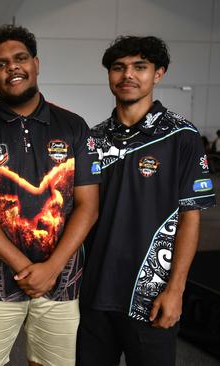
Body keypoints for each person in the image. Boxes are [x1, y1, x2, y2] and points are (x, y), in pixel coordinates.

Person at [0, 25, 100, 366]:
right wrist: (27, 269)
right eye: (1, 64)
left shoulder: (75, 126)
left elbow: (88, 207)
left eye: (20, 58)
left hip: (62, 280)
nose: (13, 68)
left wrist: (52, 268)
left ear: (36, 63)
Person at [77, 36, 216, 366]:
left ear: (158, 74)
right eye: (119, 67)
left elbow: (190, 217)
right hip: (93, 292)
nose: (128, 75)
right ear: (109, 75)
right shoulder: (91, 139)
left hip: (150, 295)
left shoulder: (181, 136)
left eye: (140, 67)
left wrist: (176, 291)